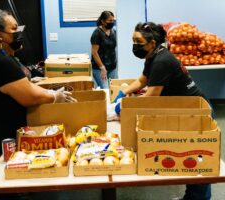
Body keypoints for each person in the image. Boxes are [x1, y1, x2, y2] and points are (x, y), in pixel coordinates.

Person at [0, 8, 75, 200]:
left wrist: (26, 84)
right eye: (14, 30)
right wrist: (54, 95)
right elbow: (31, 97)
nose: (18, 33)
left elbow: (10, 87)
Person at [114, 22, 212, 200]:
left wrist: (127, 106)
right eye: (133, 41)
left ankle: (199, 198)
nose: (134, 45)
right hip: (184, 109)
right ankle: (192, 197)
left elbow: (151, 96)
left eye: (138, 41)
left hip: (197, 112)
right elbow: (142, 80)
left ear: (152, 43)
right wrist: (123, 92)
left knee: (198, 157)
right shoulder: (153, 56)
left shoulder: (162, 61)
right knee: (190, 156)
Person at [90, 11, 117, 89]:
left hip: (112, 67)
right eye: (110, 21)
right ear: (103, 21)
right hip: (99, 68)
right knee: (105, 89)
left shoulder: (113, 31)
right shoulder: (97, 33)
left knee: (113, 89)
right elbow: (94, 52)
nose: (112, 22)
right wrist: (102, 68)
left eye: (113, 20)